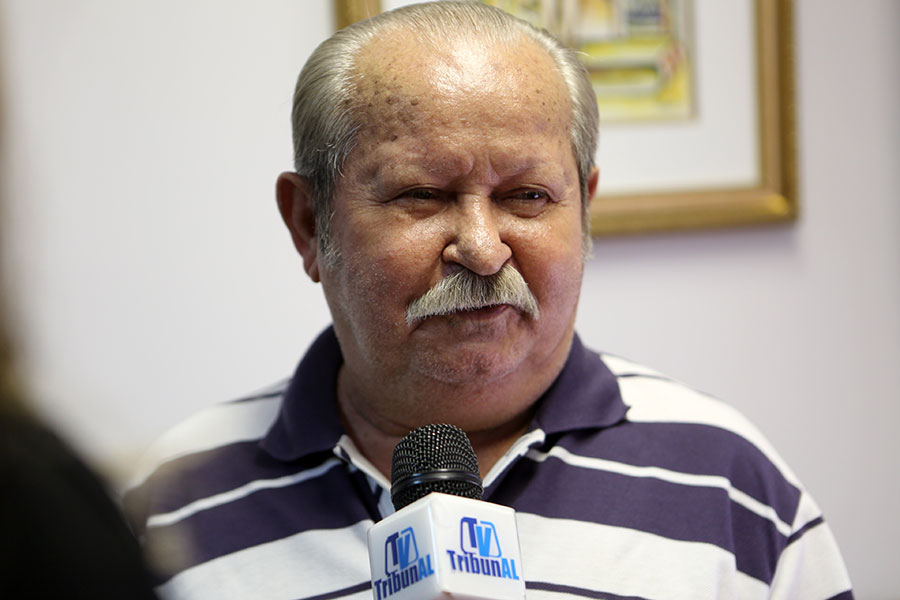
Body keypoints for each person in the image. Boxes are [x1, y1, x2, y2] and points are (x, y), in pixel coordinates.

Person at [125, 2, 854, 599]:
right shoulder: (162, 511)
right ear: (310, 224)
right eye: (422, 194)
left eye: (527, 196)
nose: (481, 247)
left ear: (586, 210)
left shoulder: (732, 485)